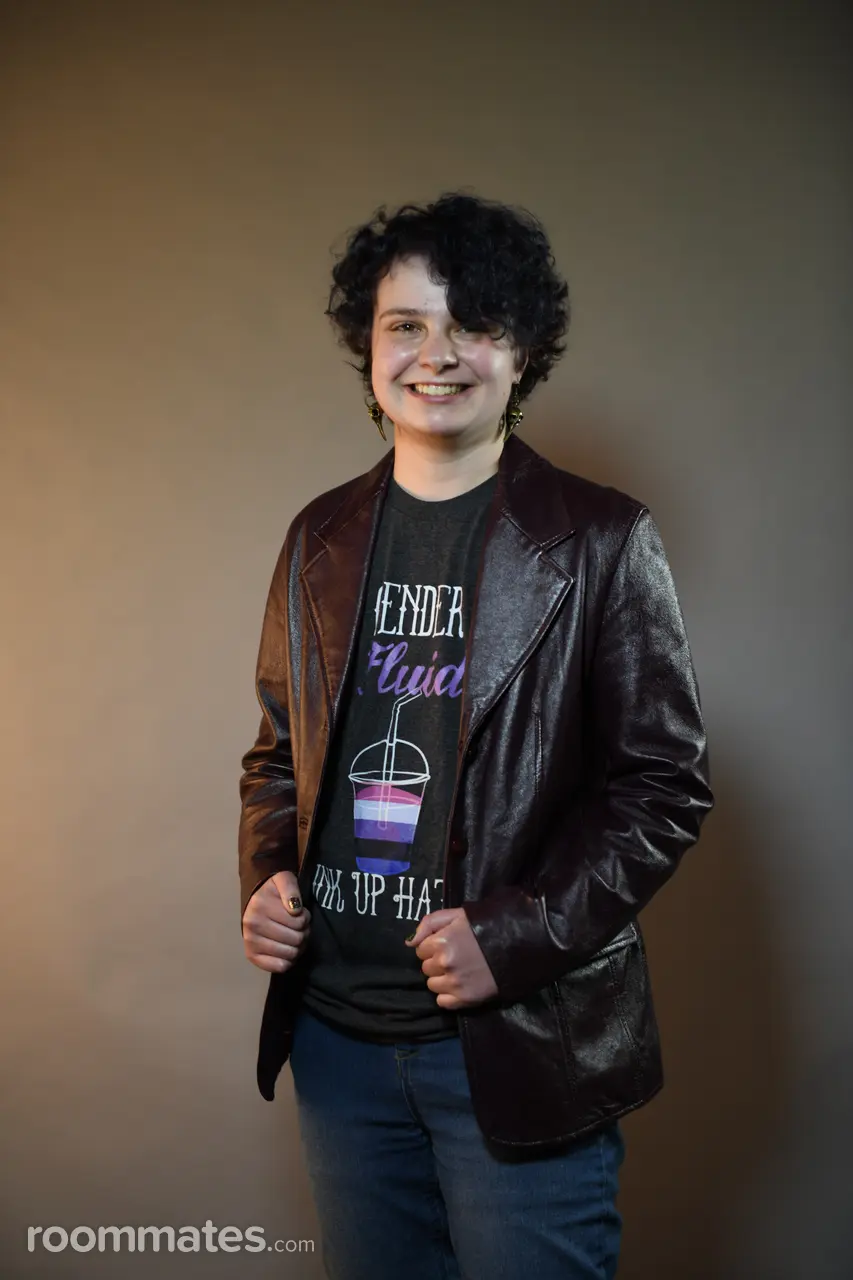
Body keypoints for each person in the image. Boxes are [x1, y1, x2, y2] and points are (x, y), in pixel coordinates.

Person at [237, 192, 713, 1280]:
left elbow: (662, 787)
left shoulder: (600, 538)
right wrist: (264, 874)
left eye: (473, 324)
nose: (436, 354)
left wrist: (518, 934)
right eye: (406, 324)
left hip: (517, 1045)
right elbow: (276, 752)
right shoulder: (317, 537)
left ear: (522, 349)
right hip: (336, 1042)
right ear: (368, 347)